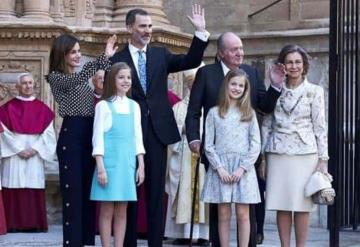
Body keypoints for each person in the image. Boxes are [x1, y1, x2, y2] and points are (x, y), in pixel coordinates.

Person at [109, 4, 209, 247]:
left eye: (150, 26)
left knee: (155, 192)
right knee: (129, 191)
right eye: (142, 26)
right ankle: (129, 242)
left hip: (156, 131)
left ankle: (155, 243)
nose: (147, 31)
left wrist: (200, 33)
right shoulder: (118, 59)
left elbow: (190, 60)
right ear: (129, 27)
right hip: (127, 132)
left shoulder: (160, 55)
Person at [185, 31, 282, 247]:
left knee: (247, 210)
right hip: (216, 153)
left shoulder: (251, 72)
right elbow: (193, 110)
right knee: (220, 210)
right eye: (233, 49)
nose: (240, 53)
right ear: (221, 53)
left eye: (241, 48)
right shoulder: (206, 74)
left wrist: (275, 87)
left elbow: (263, 107)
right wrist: (194, 139)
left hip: (244, 158)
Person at [47, 34, 117, 246]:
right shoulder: (56, 77)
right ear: (63, 54)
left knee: (88, 194)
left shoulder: (76, 76)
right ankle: (73, 242)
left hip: (87, 136)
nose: (78, 55)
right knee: (74, 195)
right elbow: (79, 79)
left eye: (79, 51)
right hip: (72, 138)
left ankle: (86, 241)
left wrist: (107, 59)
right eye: (74, 52)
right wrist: (103, 57)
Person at [261, 44, 328, 247]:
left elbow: (320, 127)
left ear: (304, 64)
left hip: (305, 154)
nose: (294, 66)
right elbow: (266, 124)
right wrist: (263, 158)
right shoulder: (275, 89)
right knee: (282, 203)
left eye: (298, 62)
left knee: (302, 205)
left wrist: (323, 159)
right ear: (282, 65)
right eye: (289, 62)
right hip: (278, 152)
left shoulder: (314, 91)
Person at [201, 69, 261, 247]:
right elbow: (208, 144)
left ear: (245, 89)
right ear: (226, 85)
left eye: (241, 85)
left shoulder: (249, 114)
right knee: (223, 214)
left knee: (243, 214)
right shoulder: (214, 113)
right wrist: (219, 168)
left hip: (243, 169)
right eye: (233, 84)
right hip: (221, 169)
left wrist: (242, 168)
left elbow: (255, 143)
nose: (237, 88)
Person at [90, 62, 145, 247]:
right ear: (112, 80)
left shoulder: (134, 106)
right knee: (107, 210)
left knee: (122, 210)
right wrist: (101, 169)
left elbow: (138, 137)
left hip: (127, 165)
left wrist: (141, 165)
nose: (126, 81)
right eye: (121, 77)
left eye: (128, 77)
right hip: (109, 166)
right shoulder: (103, 106)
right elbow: (97, 139)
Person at [0, 72, 56, 232]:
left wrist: (34, 149)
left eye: (30, 83)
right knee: (13, 184)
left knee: (32, 186)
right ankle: (13, 224)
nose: (27, 86)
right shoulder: (7, 108)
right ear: (17, 86)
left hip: (34, 153)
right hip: (13, 154)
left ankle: (34, 224)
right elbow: (2, 131)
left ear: (34, 85)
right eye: (24, 83)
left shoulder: (42, 109)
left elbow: (49, 133)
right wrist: (18, 149)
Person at [165, 64, 209, 245]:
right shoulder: (177, 108)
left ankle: (204, 235)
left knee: (204, 193)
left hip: (204, 156)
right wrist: (182, 129)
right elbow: (170, 134)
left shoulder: (209, 107)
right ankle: (183, 234)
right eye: (191, 84)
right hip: (183, 155)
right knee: (183, 191)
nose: (193, 87)